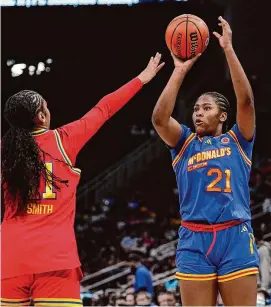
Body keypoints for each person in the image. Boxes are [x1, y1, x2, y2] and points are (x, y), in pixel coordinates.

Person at [1, 53, 164, 307]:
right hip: (55, 259)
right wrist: (141, 79)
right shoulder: (64, 140)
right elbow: (105, 108)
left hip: (10, 258)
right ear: (42, 117)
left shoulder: (4, 152)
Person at [152, 16, 259, 305]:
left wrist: (228, 49)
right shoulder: (185, 143)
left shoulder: (239, 140)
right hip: (194, 238)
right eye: (196, 109)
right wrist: (180, 70)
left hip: (235, 235)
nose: (198, 113)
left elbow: (246, 102)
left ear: (223, 116)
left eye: (207, 108)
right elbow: (160, 119)